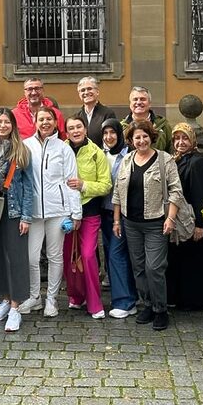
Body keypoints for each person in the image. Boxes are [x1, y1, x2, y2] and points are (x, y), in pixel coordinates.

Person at [112, 119, 184, 331]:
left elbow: (175, 191)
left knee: (155, 268)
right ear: (131, 140)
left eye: (144, 136)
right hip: (130, 223)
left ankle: (161, 309)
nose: (141, 140)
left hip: (156, 223)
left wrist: (170, 218)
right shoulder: (127, 160)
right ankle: (148, 305)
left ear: (151, 137)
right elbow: (117, 191)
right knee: (139, 267)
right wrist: (117, 220)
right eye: (137, 137)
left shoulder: (164, 160)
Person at [19, 106, 80, 317]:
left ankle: (52, 299)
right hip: (33, 212)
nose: (45, 123)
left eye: (49, 119)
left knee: (55, 256)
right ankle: (34, 297)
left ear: (55, 122)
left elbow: (72, 182)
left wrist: (76, 214)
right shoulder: (25, 146)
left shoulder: (64, 149)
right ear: (34, 122)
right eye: (41, 119)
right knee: (31, 257)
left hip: (58, 211)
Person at [0, 109, 35, 333]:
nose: (2, 125)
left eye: (6, 122)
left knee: (16, 259)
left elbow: (28, 187)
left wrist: (26, 216)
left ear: (13, 125)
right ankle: (5, 299)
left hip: (14, 211)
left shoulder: (21, 151)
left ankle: (16, 306)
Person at [63, 117, 112, 318]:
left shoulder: (96, 153)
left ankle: (94, 302)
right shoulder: (61, 149)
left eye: (78, 127)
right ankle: (76, 296)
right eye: (71, 128)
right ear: (66, 132)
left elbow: (106, 185)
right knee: (68, 257)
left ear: (85, 129)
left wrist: (84, 185)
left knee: (88, 256)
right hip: (65, 212)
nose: (75, 131)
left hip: (89, 212)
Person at [166, 123, 203, 312]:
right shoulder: (176, 160)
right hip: (180, 221)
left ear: (192, 140)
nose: (180, 142)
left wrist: (200, 225)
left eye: (185, 138)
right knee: (183, 261)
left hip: (193, 221)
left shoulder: (197, 162)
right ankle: (181, 297)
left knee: (195, 262)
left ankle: (195, 299)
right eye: (177, 138)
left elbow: (201, 195)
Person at [99, 119, 137, 318]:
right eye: (105, 133)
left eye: (112, 133)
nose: (108, 137)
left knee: (116, 255)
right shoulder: (101, 154)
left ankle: (126, 302)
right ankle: (120, 296)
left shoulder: (129, 155)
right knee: (111, 255)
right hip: (104, 212)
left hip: (121, 215)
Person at [121, 86, 173, 153]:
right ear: (130, 104)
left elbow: (171, 149)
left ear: (149, 103)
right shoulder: (122, 127)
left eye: (143, 99)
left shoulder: (163, 125)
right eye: (135, 99)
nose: (139, 102)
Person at [70, 76, 115, 147]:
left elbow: (112, 138)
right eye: (82, 90)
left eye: (89, 89)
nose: (86, 92)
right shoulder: (77, 116)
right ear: (79, 95)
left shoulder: (108, 114)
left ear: (97, 92)